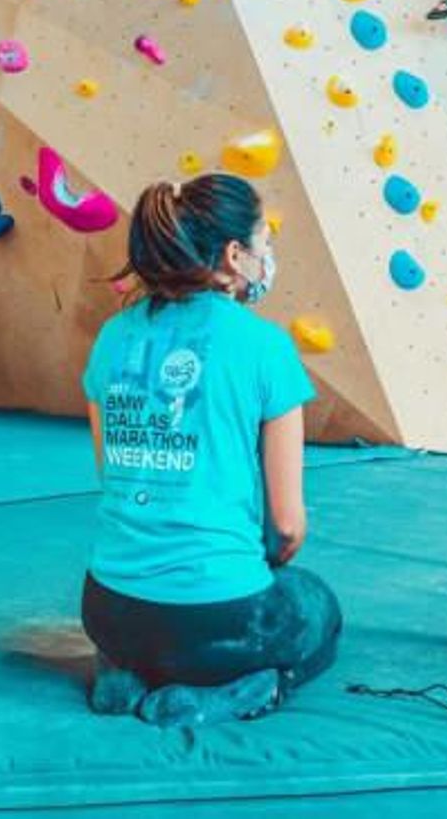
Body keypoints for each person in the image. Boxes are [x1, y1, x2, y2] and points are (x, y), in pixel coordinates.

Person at [79, 174, 341, 727]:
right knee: (318, 608)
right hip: (217, 621)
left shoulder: (111, 338)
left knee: (155, 627)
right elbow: (288, 526)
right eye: (263, 245)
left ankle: (124, 675)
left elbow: (114, 475)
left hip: (107, 612)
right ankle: (234, 690)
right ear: (233, 255)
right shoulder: (265, 346)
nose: (267, 257)